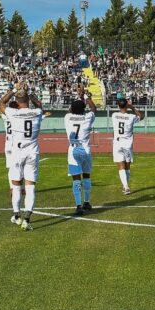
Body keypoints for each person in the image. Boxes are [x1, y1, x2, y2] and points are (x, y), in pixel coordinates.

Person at [0, 82, 44, 231]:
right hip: (32, 152)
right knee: (30, 187)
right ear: (28, 101)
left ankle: (17, 216)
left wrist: (14, 90)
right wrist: (29, 93)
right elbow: (39, 104)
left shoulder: (13, 113)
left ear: (16, 102)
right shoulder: (37, 112)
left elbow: (1, 103)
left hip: (17, 153)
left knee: (16, 186)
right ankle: (27, 219)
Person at [64, 85, 97, 216]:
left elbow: (69, 111)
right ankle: (86, 202)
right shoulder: (87, 117)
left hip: (73, 151)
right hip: (85, 150)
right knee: (87, 176)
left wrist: (78, 97)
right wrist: (84, 96)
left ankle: (78, 206)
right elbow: (93, 108)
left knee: (76, 179)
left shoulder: (67, 118)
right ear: (84, 109)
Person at [112, 97, 144, 195]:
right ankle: (126, 186)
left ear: (118, 105)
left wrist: (126, 106)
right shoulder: (131, 117)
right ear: (126, 105)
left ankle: (125, 187)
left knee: (121, 166)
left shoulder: (114, 115)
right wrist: (132, 107)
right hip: (127, 143)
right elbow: (141, 116)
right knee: (127, 166)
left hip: (117, 143)